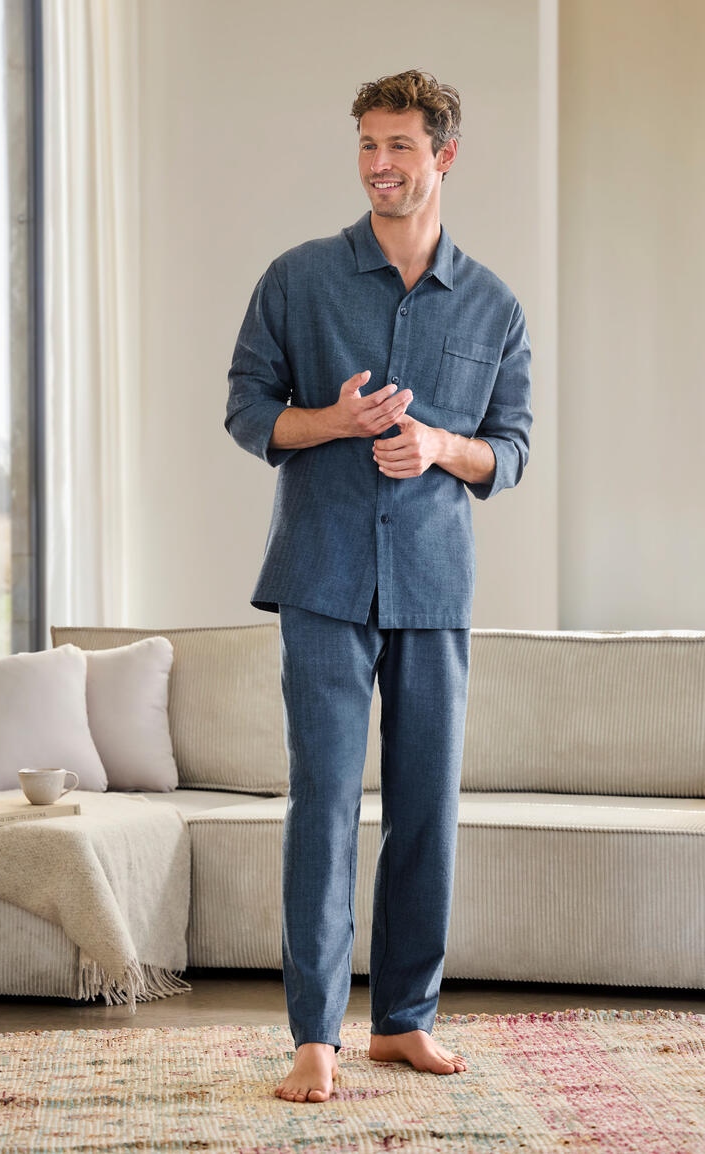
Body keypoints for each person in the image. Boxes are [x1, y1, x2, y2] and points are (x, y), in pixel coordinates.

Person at [225, 68, 533, 1104]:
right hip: (318, 577)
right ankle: (314, 1033)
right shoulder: (298, 278)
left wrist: (441, 444)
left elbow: (513, 450)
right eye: (366, 143)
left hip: (432, 588)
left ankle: (403, 1020)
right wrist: (334, 423)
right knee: (321, 803)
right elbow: (247, 411)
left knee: (423, 808)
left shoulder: (492, 305)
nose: (378, 164)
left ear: (443, 154)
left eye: (398, 145)